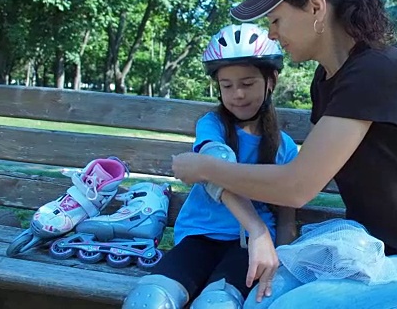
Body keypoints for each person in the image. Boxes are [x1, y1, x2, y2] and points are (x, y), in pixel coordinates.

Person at [170, 0, 397, 308]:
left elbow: (297, 187)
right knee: (257, 301)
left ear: (316, 7)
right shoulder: (326, 79)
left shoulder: (377, 70)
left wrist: (203, 167)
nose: (271, 32)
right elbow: (305, 173)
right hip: (365, 250)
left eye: (276, 19)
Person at [122, 23, 299, 309]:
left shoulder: (284, 147)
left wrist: (280, 260)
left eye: (247, 83)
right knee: (149, 298)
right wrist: (256, 228)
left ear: (271, 81)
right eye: (226, 86)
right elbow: (213, 166)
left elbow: (288, 218)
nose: (237, 94)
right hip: (200, 237)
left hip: (248, 250)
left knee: (217, 304)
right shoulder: (212, 125)